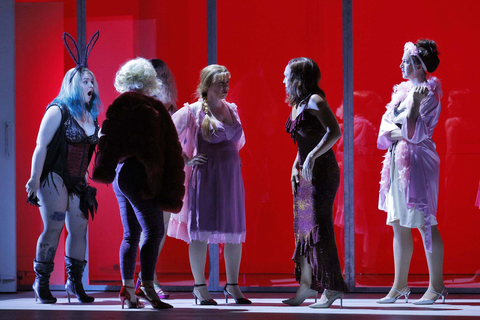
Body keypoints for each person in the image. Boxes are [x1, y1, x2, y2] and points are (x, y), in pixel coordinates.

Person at [92, 57, 185, 309]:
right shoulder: (154, 108)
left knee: (131, 234)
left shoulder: (119, 105)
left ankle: (128, 291)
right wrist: (171, 187)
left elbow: (107, 141)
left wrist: (105, 169)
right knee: (153, 231)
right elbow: (171, 150)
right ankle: (146, 286)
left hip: (122, 176)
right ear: (148, 80)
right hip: (141, 176)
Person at [25, 31, 101, 304]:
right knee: (55, 225)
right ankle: (41, 282)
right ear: (72, 84)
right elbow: (40, 146)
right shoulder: (58, 110)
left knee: (80, 229)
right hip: (53, 175)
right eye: (85, 80)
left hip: (77, 180)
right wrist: (34, 178)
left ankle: (75, 283)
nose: (90, 83)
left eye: (92, 80)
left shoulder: (91, 116)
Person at [167, 64, 250, 305]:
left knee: (234, 230)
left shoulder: (232, 109)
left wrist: (233, 161)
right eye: (220, 83)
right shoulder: (192, 111)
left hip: (231, 176)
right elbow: (168, 133)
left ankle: (232, 286)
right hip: (205, 176)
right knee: (200, 231)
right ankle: (200, 287)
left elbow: (238, 142)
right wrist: (186, 159)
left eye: (227, 82)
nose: (225, 87)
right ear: (207, 85)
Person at [376, 40, 446, 305]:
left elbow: (417, 134)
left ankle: (436, 286)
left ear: (418, 65)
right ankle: (399, 286)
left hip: (418, 162)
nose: (401, 65)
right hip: (396, 160)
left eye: (405, 61)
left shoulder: (428, 94)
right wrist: (402, 131)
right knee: (398, 222)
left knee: (425, 221)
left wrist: (409, 117)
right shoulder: (401, 92)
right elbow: (385, 131)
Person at [283, 57, 348, 308]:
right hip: (305, 172)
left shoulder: (315, 100)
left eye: (287, 75)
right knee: (303, 228)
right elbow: (304, 142)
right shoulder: (296, 105)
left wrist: (310, 156)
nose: (284, 79)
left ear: (298, 77)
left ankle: (332, 288)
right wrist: (295, 165)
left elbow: (335, 131)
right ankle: (306, 286)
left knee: (319, 228)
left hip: (323, 172)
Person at [134, 59, 179, 300]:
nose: (160, 78)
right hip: (144, 171)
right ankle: (144, 280)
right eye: (155, 75)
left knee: (158, 228)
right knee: (147, 229)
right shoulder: (141, 102)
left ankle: (146, 278)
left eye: (163, 74)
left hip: (164, 171)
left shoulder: (170, 104)